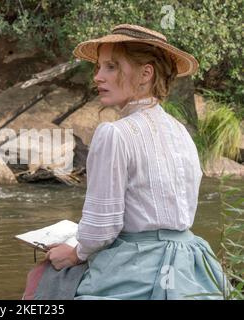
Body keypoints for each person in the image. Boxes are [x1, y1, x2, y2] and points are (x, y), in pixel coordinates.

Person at [41, 24, 228, 299]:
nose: (98, 77)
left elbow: (102, 228)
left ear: (145, 74)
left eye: (111, 67)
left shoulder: (114, 134)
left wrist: (74, 253)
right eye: (99, 67)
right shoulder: (181, 132)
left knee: (45, 278)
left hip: (136, 269)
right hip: (190, 264)